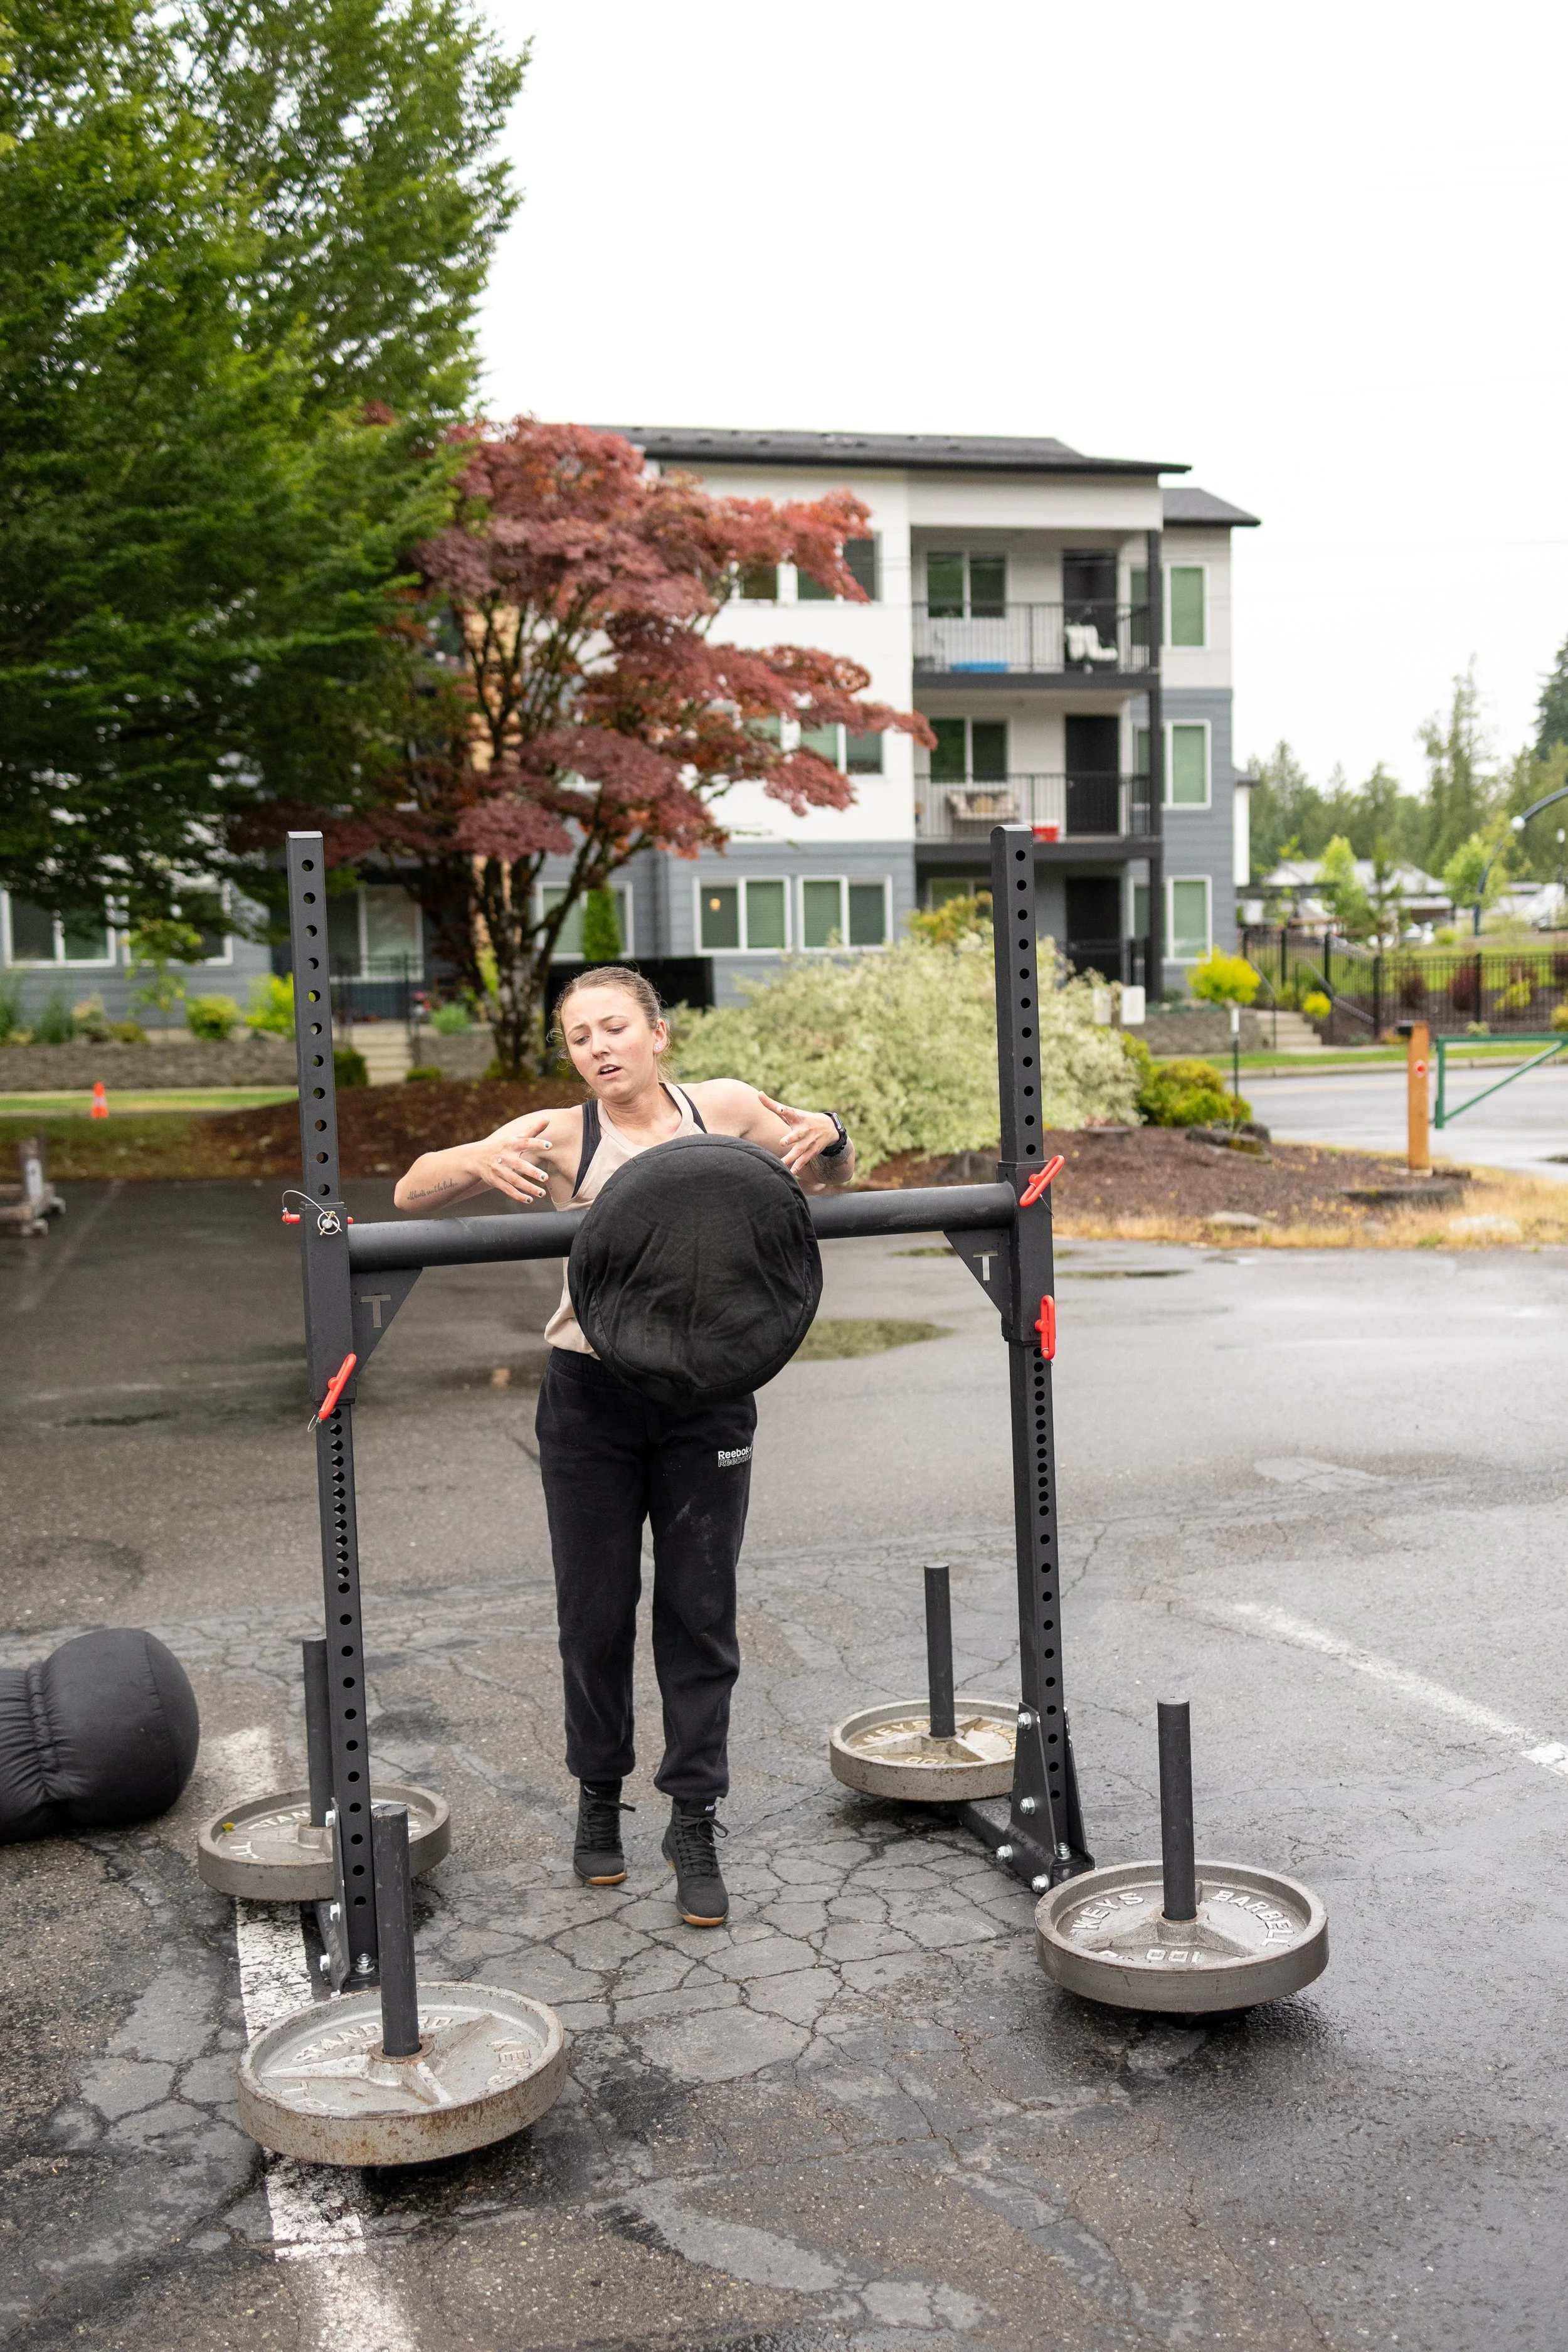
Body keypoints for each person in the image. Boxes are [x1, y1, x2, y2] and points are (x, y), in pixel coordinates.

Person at [393, 965, 854, 1926]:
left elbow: (829, 1169)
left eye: (613, 1028)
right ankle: (598, 1794)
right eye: (578, 1037)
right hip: (591, 1396)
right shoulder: (562, 1135)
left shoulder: (722, 1108)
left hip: (710, 1395)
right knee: (595, 1611)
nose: (597, 1048)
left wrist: (835, 1135)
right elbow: (409, 1193)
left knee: (700, 1607)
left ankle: (694, 1816)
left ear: (657, 1034)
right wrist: (480, 1155)